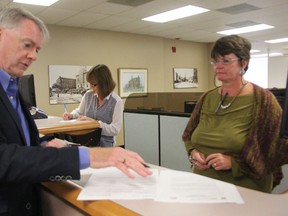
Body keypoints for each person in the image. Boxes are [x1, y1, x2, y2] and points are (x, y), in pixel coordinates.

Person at [0, 7, 151, 216]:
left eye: (37, 49)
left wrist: (42, 145)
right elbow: (5, 159)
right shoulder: (87, 96)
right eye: (27, 45)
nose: (33, 55)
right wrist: (89, 156)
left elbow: (17, 143)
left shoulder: (12, 89)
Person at [182, 34, 288, 193]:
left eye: (225, 60)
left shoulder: (263, 100)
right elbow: (189, 135)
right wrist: (192, 153)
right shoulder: (207, 98)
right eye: (215, 61)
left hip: (244, 190)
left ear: (243, 63)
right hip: (204, 187)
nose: (218, 65)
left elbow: (278, 149)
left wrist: (235, 164)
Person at [63, 64, 123, 147]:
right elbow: (80, 112)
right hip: (86, 142)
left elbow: (115, 129)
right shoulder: (88, 95)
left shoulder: (116, 101)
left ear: (104, 84)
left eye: (94, 85)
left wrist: (95, 124)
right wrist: (71, 115)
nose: (91, 87)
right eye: (90, 84)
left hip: (105, 146)